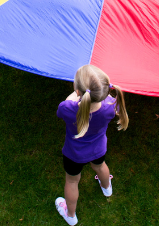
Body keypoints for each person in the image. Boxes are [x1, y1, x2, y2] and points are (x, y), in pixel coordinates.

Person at [55, 65, 129, 225]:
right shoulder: (110, 105)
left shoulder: (68, 108)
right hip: (98, 149)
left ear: (78, 91)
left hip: (73, 154)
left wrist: (75, 96)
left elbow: (62, 109)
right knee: (101, 166)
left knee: (72, 181)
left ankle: (71, 215)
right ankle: (107, 188)